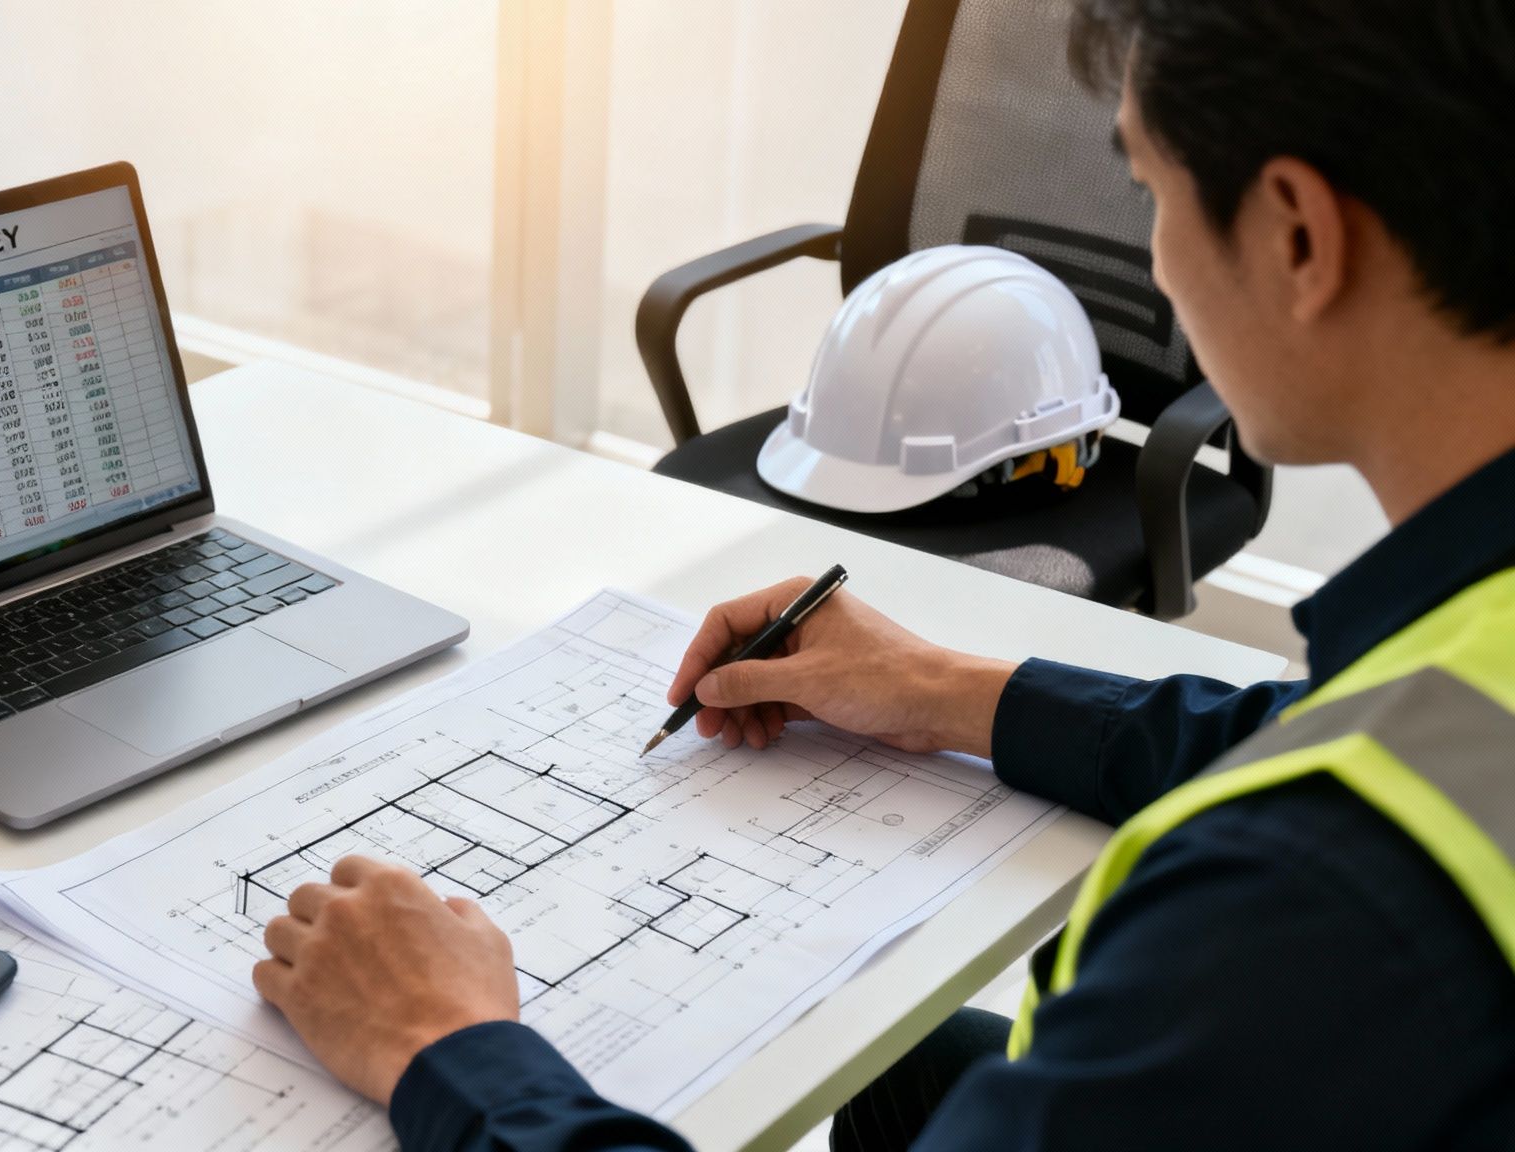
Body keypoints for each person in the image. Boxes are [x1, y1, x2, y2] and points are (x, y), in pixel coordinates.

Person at [248, 1, 1515, 1147]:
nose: (1159, 262)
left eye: (1150, 195)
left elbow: (1342, 823)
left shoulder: (1296, 908)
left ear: (1296, 233)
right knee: (895, 1059)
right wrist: (941, 686)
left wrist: (445, 1048)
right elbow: (1356, 738)